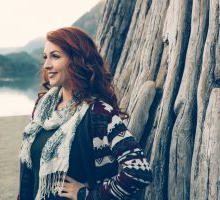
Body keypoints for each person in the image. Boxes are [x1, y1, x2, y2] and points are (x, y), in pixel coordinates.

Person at [17, 26, 152, 200]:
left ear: (76, 60)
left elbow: (139, 171)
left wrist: (88, 195)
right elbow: (29, 170)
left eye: (55, 56)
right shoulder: (43, 108)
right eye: (45, 57)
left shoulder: (99, 113)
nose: (46, 65)